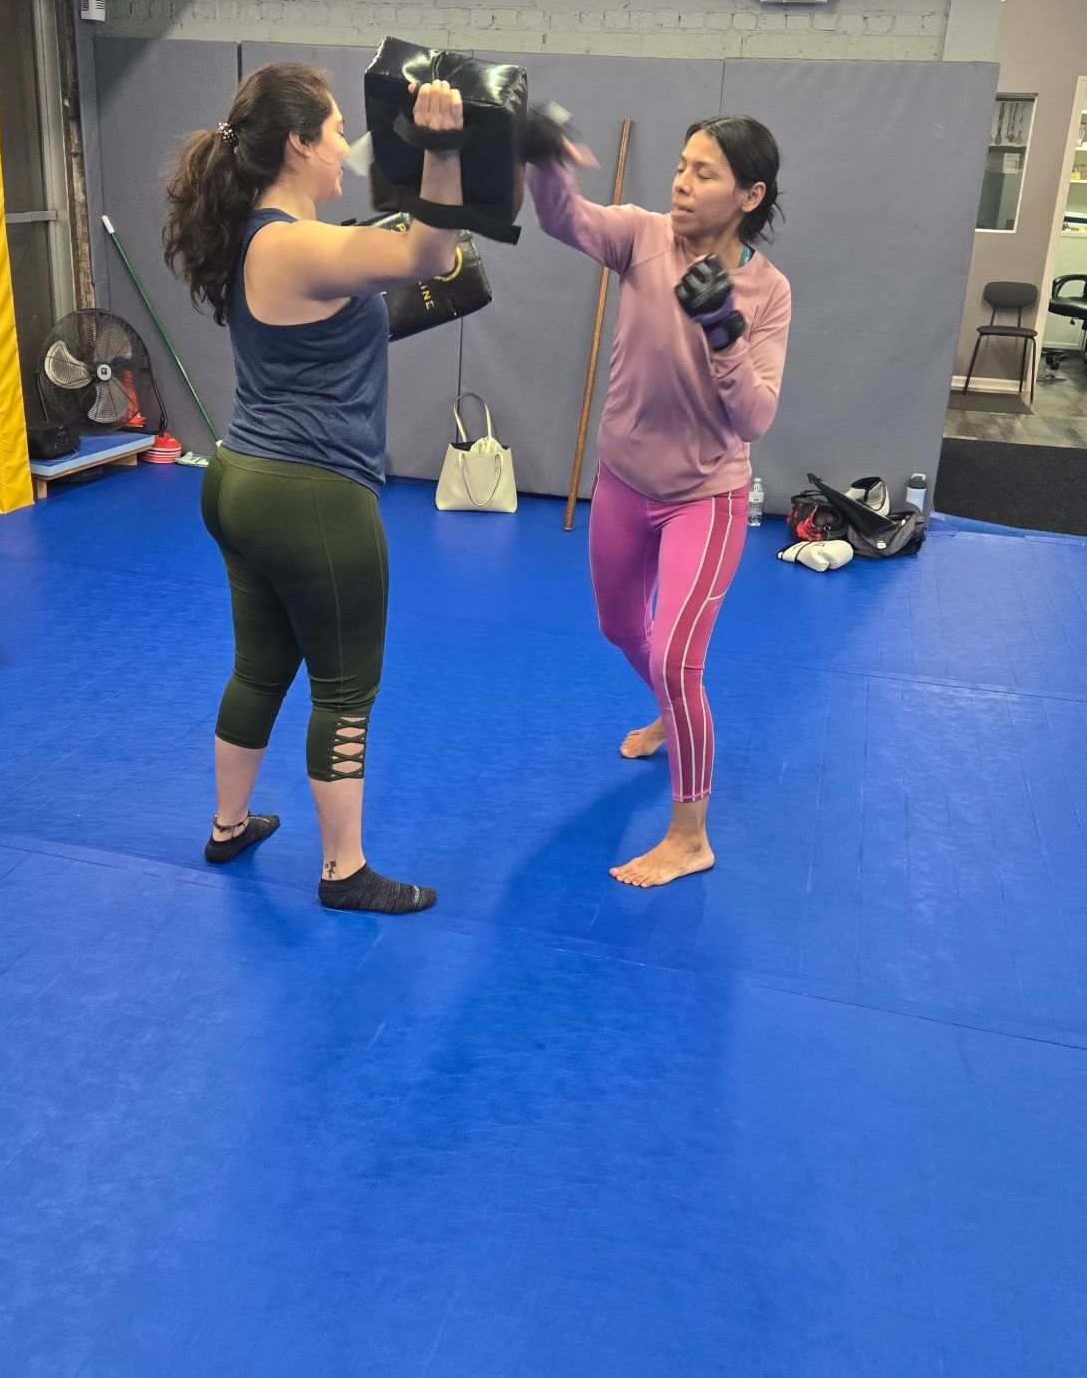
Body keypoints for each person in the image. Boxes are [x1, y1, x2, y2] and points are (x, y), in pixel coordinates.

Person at [162, 61, 465, 913]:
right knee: (344, 688)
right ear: (297, 144)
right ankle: (344, 871)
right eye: (335, 131)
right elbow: (429, 252)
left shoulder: (259, 237)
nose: (346, 148)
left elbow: (340, 321)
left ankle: (228, 825)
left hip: (240, 479)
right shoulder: (299, 243)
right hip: (312, 494)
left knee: (260, 667)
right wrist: (441, 149)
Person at [526, 116, 791, 888]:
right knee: (618, 626)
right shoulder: (641, 236)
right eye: (681, 166)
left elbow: (755, 418)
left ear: (749, 194)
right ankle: (675, 714)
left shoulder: (768, 292)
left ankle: (690, 836)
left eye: (704, 173)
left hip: (705, 497)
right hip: (623, 481)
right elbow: (560, 216)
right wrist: (545, 164)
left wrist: (723, 331)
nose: (681, 182)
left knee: (678, 656)